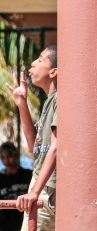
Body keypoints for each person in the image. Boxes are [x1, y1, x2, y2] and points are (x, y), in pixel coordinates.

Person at [6, 45, 57, 231]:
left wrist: (35, 192)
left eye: (40, 60)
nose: (32, 64)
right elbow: (33, 144)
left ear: (54, 72)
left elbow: (56, 148)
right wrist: (22, 105)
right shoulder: (49, 101)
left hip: (48, 189)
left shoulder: (60, 99)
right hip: (41, 186)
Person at [0, 142, 32, 231]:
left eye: (9, 156)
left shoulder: (28, 175)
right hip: (5, 226)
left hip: (26, 222)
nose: (6, 160)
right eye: (2, 157)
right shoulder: (0, 178)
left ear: (17, 155)